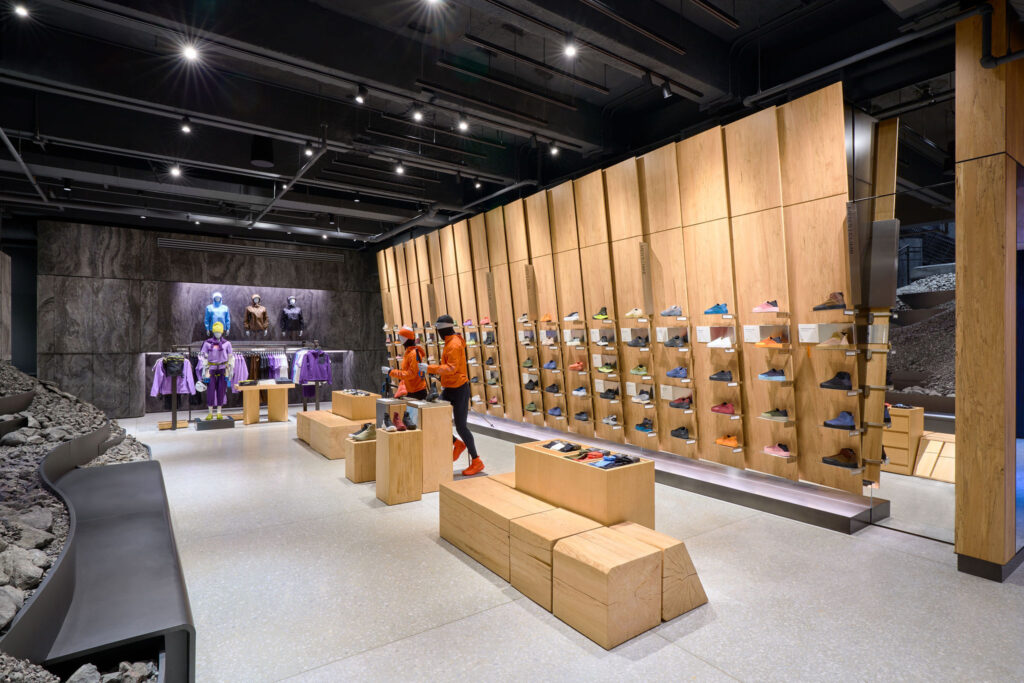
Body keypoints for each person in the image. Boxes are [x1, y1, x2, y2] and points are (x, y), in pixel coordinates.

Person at [422, 314, 484, 476]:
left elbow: (451, 368)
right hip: (449, 387)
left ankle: (477, 461)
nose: (438, 334)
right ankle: (457, 443)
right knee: (436, 417)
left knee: (461, 426)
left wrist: (430, 368)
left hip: (458, 388)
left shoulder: (454, 345)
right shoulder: (449, 343)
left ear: (443, 330)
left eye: (439, 331)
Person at [382, 326, 428, 400]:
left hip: (417, 392)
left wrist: (391, 372)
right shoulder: (408, 353)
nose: (400, 339)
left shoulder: (413, 354)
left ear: (407, 338)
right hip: (411, 390)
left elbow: (412, 374)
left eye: (401, 337)